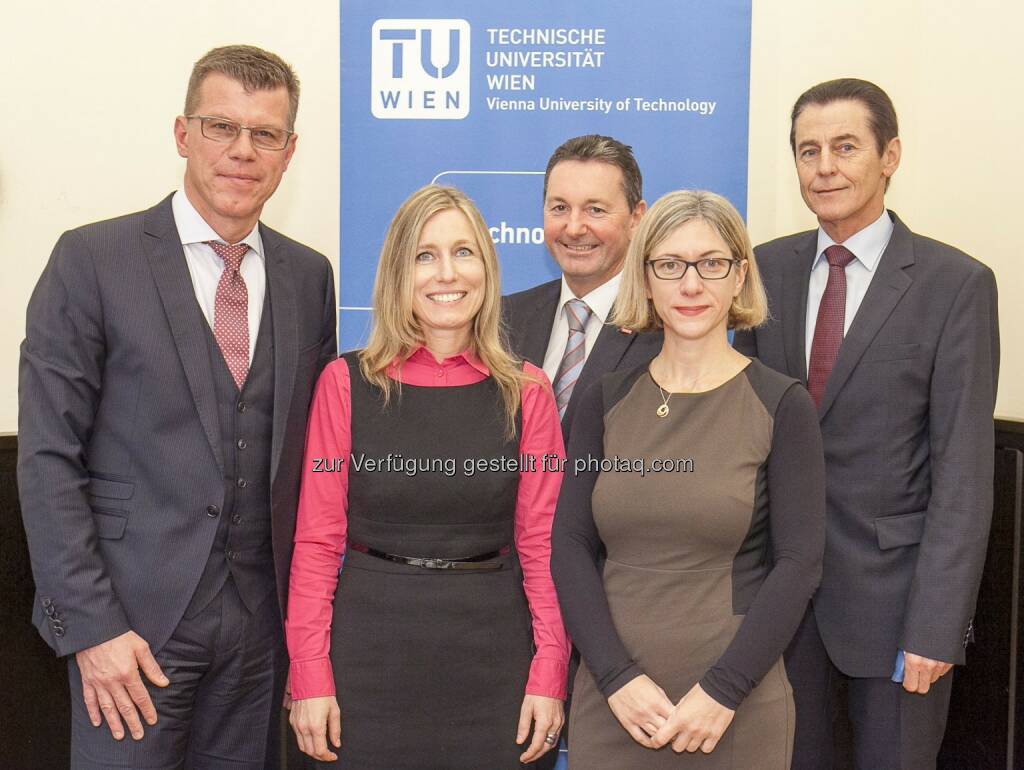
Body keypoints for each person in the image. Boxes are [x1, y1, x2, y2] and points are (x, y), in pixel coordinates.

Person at [17, 45, 337, 768]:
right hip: (130, 634)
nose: (242, 151)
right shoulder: (92, 261)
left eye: (264, 134)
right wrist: (92, 630)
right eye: (221, 127)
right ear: (181, 133)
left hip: (261, 638)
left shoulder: (308, 278)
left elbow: (314, 460)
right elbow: (47, 459)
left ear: (289, 153)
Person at [733, 78, 1000, 769]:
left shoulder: (955, 284)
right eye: (807, 151)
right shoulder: (764, 271)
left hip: (896, 618)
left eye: (845, 147)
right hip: (781, 615)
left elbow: (964, 475)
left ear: (891, 155)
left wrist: (937, 628)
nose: (824, 167)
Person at [285, 184, 570, 768]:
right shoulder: (345, 385)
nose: (447, 273)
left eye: (464, 252)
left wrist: (549, 672)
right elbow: (317, 543)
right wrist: (309, 675)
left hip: (496, 667)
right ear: (398, 273)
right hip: (367, 664)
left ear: (487, 269)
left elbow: (542, 547)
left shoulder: (529, 392)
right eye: (425, 255)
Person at [552, 190, 826, 768]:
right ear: (646, 279)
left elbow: (799, 562)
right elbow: (570, 546)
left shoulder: (782, 404)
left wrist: (724, 691)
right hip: (614, 700)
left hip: (733, 703)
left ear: (739, 276)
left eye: (712, 264)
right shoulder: (604, 400)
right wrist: (616, 677)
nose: (692, 284)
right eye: (670, 265)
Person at [503, 134, 661, 438]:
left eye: (595, 210)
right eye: (560, 208)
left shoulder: (664, 327)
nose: (574, 228)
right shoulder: (503, 319)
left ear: (636, 218)